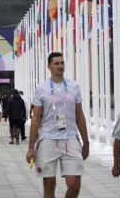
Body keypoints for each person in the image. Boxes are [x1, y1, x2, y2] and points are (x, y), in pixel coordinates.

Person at [25, 52, 89, 198]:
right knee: (49, 183)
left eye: (62, 63)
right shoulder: (41, 88)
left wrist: (86, 142)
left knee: (74, 184)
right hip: (48, 138)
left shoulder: (74, 86)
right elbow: (36, 119)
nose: (60, 66)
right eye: (56, 63)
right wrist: (30, 148)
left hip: (70, 138)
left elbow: (80, 115)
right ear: (49, 66)